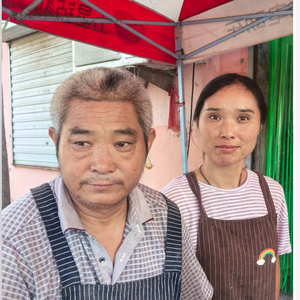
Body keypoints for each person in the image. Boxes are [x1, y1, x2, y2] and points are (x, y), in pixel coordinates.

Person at [2, 67, 213, 300]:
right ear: (56, 141)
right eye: (82, 143)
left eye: (122, 144)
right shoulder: (13, 239)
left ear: (148, 144)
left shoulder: (168, 218)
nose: (102, 165)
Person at [161, 73, 292, 300]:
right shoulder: (173, 200)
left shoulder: (272, 192)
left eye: (243, 118)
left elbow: (273, 264)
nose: (227, 132)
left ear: (260, 126)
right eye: (214, 117)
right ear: (196, 124)